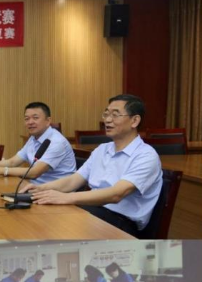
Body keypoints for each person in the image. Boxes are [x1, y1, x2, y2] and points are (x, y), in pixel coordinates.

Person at [25, 95, 162, 237]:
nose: (107, 120)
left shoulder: (146, 155)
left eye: (115, 115)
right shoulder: (102, 149)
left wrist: (65, 197)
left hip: (122, 223)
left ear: (134, 121)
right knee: (44, 213)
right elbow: (73, 180)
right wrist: (41, 188)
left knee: (58, 223)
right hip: (95, 209)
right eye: (106, 114)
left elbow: (116, 194)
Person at [0, 102, 75, 184]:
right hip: (35, 188)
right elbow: (12, 162)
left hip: (57, 193)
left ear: (48, 121)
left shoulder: (56, 142)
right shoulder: (33, 138)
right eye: (27, 119)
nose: (30, 122)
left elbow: (35, 172)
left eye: (35, 118)